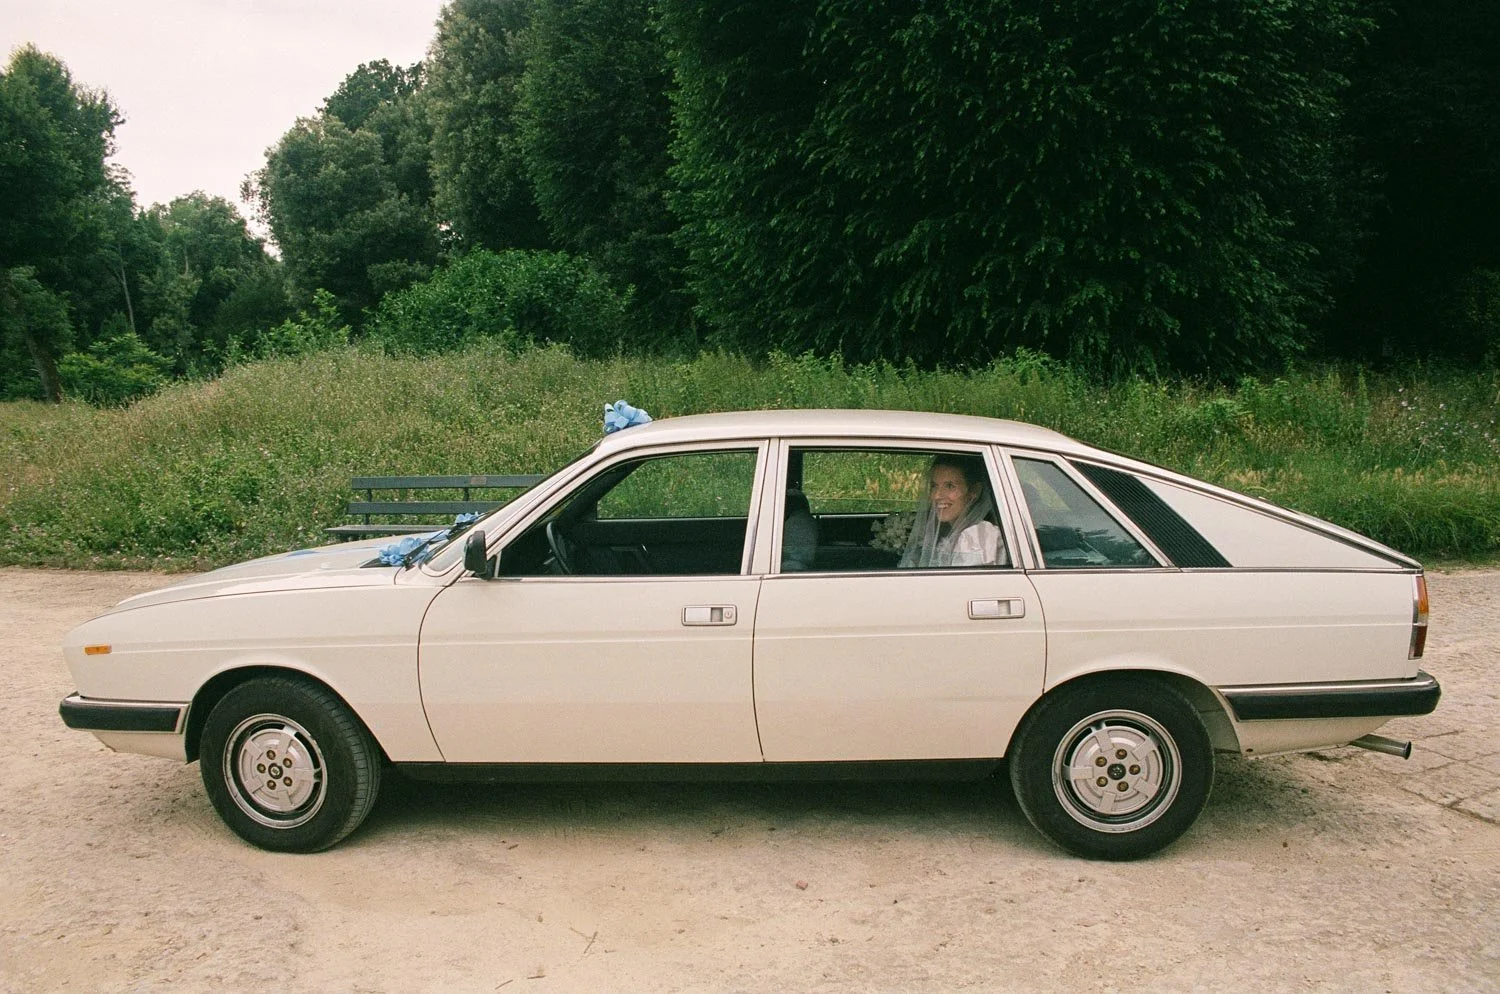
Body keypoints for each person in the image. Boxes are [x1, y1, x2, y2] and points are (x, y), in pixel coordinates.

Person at [899, 454, 1007, 568]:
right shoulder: (951, 531)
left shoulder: (977, 536)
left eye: (949, 486)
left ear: (975, 490)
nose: (936, 495)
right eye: (934, 486)